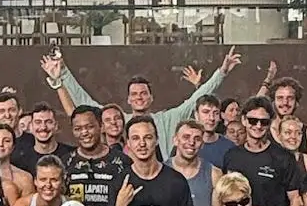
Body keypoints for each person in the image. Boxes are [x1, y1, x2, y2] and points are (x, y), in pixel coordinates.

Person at [49, 47, 241, 157]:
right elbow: (84, 101)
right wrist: (63, 72)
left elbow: (195, 100)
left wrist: (222, 72)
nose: (139, 97)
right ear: (128, 100)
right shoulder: (117, 120)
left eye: (143, 93)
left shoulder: (168, 119)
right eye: (134, 94)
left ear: (151, 98)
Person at [219, 96, 302, 206]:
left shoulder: (283, 157)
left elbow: (296, 199)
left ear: (270, 123)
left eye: (264, 122)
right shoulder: (231, 156)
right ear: (244, 120)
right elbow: (224, 196)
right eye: (253, 121)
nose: (258, 126)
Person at [170, 117, 219, 206]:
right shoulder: (161, 171)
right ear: (175, 140)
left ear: (202, 144)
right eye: (186, 137)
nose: (191, 142)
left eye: (197, 139)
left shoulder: (214, 174)